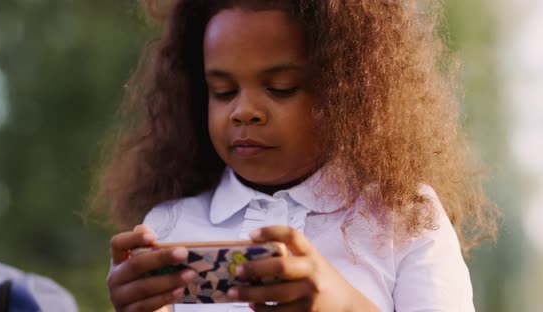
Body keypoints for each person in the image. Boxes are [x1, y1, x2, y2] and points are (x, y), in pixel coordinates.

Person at [90, 0, 499, 311]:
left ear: (347, 91)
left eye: (281, 87)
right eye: (223, 91)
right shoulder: (169, 228)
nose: (243, 110)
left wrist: (343, 305)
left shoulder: (405, 218)